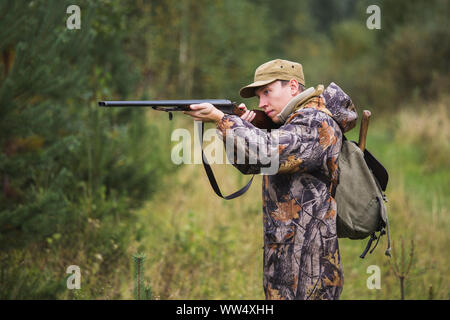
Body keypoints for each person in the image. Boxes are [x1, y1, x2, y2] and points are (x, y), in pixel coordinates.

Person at [184, 59, 357, 300]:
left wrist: (222, 119)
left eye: (267, 92)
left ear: (293, 87)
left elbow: (267, 150)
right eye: (258, 96)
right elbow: (251, 164)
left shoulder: (315, 122)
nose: (262, 103)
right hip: (284, 261)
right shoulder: (288, 124)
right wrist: (241, 127)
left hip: (310, 270)